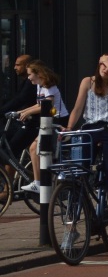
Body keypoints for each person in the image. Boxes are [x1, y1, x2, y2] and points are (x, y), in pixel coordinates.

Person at [65, 53, 108, 242]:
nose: (106, 69)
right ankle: (72, 227)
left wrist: (107, 60)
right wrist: (69, 129)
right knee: (77, 176)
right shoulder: (88, 82)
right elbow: (77, 108)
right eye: (103, 65)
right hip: (90, 129)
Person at [16, 61, 71, 192]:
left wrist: (27, 112)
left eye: (30, 74)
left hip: (58, 121)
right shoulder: (39, 86)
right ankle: (42, 181)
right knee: (36, 149)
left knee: (35, 148)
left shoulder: (48, 87)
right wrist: (21, 112)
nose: (28, 78)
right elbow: (39, 104)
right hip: (49, 121)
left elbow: (47, 105)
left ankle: (40, 182)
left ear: (38, 74)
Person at [1, 54, 37, 174]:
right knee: (9, 147)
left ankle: (8, 189)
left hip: (32, 123)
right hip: (25, 120)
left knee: (9, 151)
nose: (14, 68)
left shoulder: (32, 82)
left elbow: (20, 99)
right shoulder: (26, 82)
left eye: (18, 65)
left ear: (27, 66)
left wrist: (2, 111)